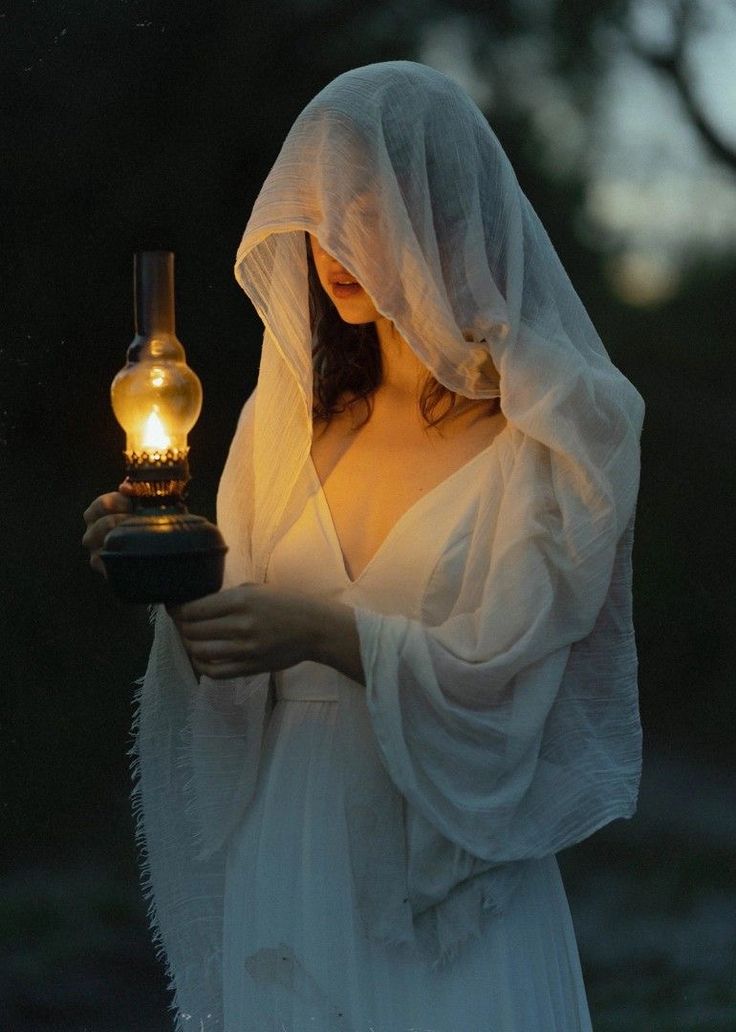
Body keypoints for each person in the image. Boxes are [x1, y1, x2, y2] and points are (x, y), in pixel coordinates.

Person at [83, 61, 644, 1031]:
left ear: (449, 211)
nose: (333, 236)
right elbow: (230, 663)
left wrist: (314, 629)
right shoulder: (285, 421)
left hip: (446, 874)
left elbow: (509, 687)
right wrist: (161, 570)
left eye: (368, 203)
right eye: (321, 204)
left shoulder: (553, 438)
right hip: (288, 849)